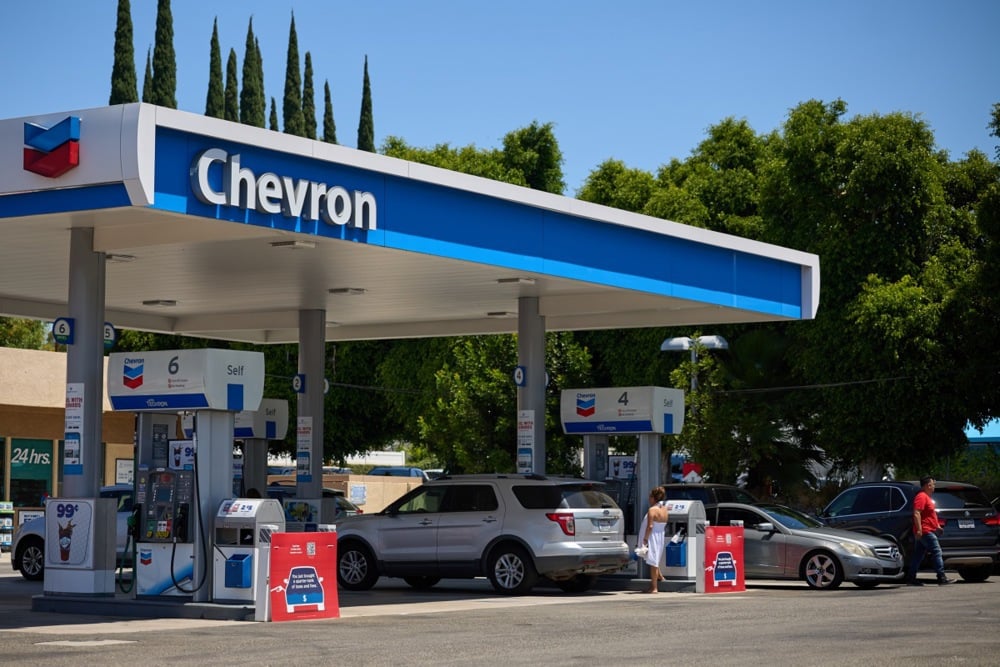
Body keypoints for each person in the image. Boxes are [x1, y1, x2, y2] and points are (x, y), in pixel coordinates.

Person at [907, 476, 953, 586]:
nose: (934, 486)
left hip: (927, 529)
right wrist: (919, 530)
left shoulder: (927, 497)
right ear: (928, 485)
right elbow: (916, 513)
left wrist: (937, 526)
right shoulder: (921, 497)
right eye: (933, 484)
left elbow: (929, 515)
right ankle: (941, 577)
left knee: (918, 555)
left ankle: (911, 578)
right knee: (937, 551)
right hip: (925, 531)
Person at [640, 486, 669, 593]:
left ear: (653, 498)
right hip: (660, 534)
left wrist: (645, 539)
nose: (648, 499)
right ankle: (660, 577)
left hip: (652, 536)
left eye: (650, 497)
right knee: (655, 557)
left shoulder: (652, 510)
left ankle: (654, 587)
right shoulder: (665, 510)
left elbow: (650, 526)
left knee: (653, 561)